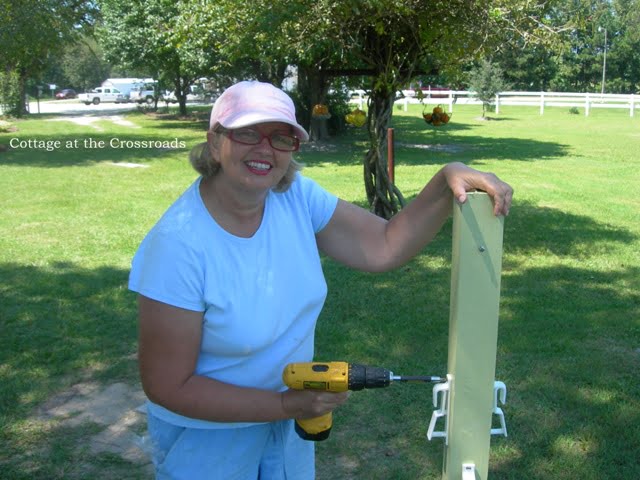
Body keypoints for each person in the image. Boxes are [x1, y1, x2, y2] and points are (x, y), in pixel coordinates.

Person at [129, 80, 513, 479]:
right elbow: (169, 386)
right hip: (207, 439)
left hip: (288, 422)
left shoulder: (294, 196)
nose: (265, 149)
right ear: (214, 142)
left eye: (281, 137)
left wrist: (445, 180)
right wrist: (283, 407)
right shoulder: (177, 247)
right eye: (247, 132)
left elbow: (384, 245)